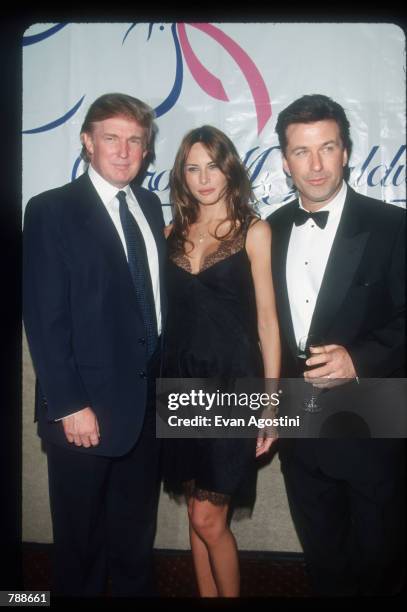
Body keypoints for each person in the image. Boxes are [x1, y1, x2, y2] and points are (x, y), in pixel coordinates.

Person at [23, 93, 167, 597]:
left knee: (134, 543)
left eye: (135, 140)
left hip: (146, 411)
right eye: (112, 138)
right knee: (79, 550)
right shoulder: (50, 211)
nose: (124, 151)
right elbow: (44, 318)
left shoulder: (149, 205)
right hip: (81, 412)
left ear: (147, 149)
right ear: (88, 142)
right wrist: (69, 403)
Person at [268, 94, 405, 596]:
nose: (316, 164)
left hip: (374, 425)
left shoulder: (393, 227)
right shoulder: (269, 231)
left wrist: (359, 359)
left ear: (346, 151)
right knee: (323, 562)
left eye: (327, 148)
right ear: (285, 161)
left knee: (380, 567)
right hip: (301, 428)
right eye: (302, 152)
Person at [162, 125, 281, 597]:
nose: (203, 177)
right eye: (193, 167)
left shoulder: (254, 230)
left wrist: (271, 405)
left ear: (229, 168)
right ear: (181, 175)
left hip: (234, 388)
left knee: (210, 518)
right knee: (195, 511)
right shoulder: (170, 233)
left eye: (212, 165)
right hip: (180, 385)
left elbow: (269, 324)